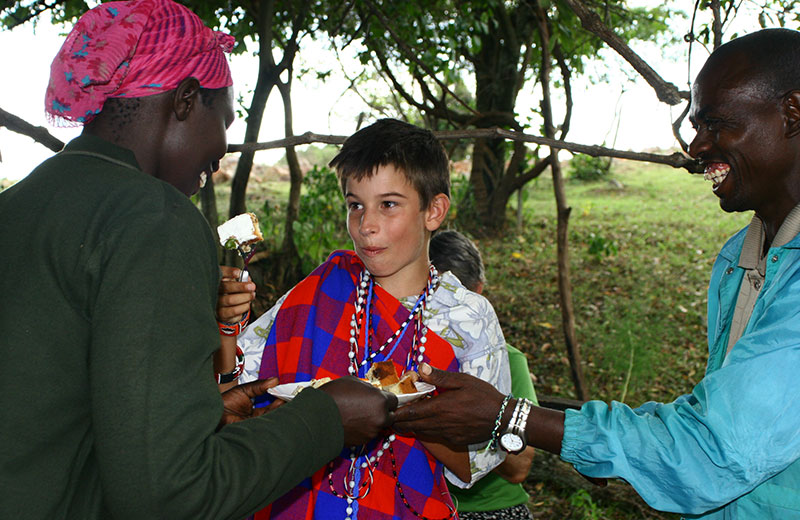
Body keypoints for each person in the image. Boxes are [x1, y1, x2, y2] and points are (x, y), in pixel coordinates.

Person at [0, 2, 396, 518]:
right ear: (186, 100)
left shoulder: (19, 203)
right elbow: (170, 497)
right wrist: (325, 418)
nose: (224, 148)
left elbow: (59, 412)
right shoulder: (154, 216)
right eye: (225, 119)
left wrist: (195, 415)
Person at [394, 27, 800, 519]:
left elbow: (714, 455)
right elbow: (715, 414)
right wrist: (595, 439)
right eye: (697, 125)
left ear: (792, 113)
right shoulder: (741, 257)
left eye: (717, 124)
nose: (696, 146)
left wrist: (513, 416)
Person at [234, 119, 512, 519]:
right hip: (300, 503)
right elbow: (243, 380)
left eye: (389, 204)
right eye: (355, 205)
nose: (366, 225)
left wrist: (398, 405)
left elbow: (477, 461)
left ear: (433, 210)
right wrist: (227, 327)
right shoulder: (321, 289)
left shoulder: (467, 317)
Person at [429, 230, 537, 520]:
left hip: (490, 510)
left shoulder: (507, 360)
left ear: (477, 297)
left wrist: (467, 415)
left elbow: (519, 466)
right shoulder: (393, 354)